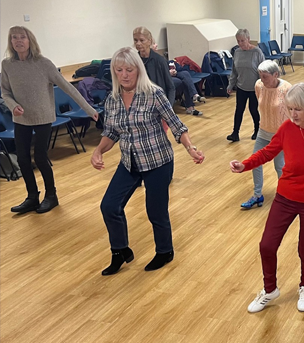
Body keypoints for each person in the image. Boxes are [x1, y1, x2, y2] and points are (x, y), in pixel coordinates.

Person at [230, 83, 304, 313]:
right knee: (267, 245)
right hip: (285, 197)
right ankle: (270, 289)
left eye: (297, 109)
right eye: (289, 109)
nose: (292, 115)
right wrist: (244, 164)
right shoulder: (287, 127)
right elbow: (268, 152)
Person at [92, 47, 204, 276]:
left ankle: (165, 251)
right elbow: (111, 132)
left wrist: (190, 148)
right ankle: (120, 251)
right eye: (119, 70)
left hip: (158, 161)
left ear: (138, 70)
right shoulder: (112, 99)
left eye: (129, 70)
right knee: (109, 206)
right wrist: (98, 151)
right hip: (129, 161)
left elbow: (175, 124)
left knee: (155, 211)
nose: (124, 74)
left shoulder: (154, 94)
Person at [2, 26, 99, 214]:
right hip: (20, 118)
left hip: (43, 117)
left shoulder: (44, 63)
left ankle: (51, 196)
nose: (18, 41)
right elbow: (5, 92)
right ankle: (32, 197)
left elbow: (67, 88)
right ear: (10, 41)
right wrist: (13, 105)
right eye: (14, 38)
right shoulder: (7, 65)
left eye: (22, 37)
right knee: (23, 159)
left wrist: (88, 109)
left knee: (40, 157)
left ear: (30, 40)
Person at [241, 60, 291, 210]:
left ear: (276, 74)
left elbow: (294, 111)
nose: (262, 80)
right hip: (263, 132)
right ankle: (257, 195)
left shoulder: (287, 89)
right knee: (255, 162)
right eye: (260, 76)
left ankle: (285, 197)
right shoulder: (259, 85)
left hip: (281, 135)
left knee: (280, 166)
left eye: (265, 77)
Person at [226, 29, 265, 142]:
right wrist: (230, 85)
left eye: (242, 40)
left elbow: (263, 70)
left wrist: (263, 86)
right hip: (241, 86)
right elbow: (234, 71)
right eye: (238, 41)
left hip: (255, 88)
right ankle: (235, 133)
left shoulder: (257, 52)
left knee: (253, 109)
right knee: (239, 109)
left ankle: (258, 131)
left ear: (248, 39)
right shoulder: (237, 52)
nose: (240, 43)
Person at [133, 27, 175, 103]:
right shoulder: (134, 61)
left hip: (159, 102)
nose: (138, 43)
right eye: (135, 40)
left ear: (149, 41)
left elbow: (171, 87)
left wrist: (169, 108)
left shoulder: (160, 60)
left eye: (142, 40)